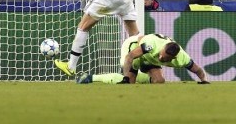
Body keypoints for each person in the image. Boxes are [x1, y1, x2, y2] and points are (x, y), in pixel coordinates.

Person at [76, 33, 210, 84]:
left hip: (149, 58)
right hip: (133, 48)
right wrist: (126, 77)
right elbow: (130, 56)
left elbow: (197, 70)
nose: (161, 57)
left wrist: (204, 80)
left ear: (173, 58)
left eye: (163, 58)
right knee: (128, 82)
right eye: (160, 53)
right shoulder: (151, 45)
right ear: (162, 48)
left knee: (160, 81)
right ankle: (90, 78)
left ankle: (139, 79)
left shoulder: (182, 59)